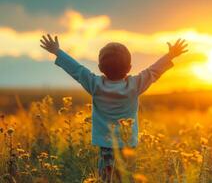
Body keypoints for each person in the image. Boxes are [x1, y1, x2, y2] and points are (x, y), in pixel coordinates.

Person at [40, 34, 188, 182]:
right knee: (127, 177)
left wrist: (57, 51)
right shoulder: (134, 86)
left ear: (100, 68)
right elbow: (153, 71)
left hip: (105, 145)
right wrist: (171, 55)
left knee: (106, 179)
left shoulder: (95, 85)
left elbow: (77, 70)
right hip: (128, 144)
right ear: (129, 68)